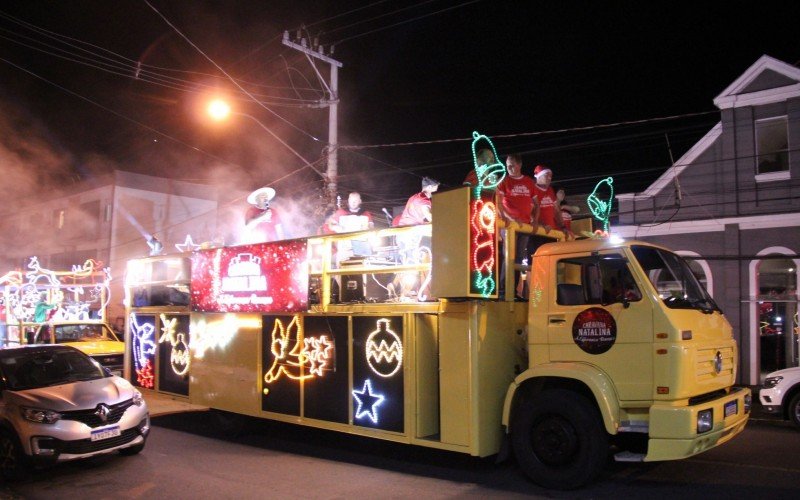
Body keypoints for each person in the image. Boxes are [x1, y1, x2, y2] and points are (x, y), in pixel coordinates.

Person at [496, 154, 536, 299]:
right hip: (509, 225)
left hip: (525, 225)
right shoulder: (503, 181)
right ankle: (503, 290)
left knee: (519, 258)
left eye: (512, 165)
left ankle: (513, 291)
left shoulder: (529, 182)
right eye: (507, 165)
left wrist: (534, 219)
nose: (509, 168)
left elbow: (534, 203)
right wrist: (508, 217)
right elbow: (498, 202)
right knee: (509, 257)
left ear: (519, 165)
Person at [531, 165, 565, 233]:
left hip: (551, 231)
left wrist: (563, 227)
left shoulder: (550, 190)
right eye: (546, 175)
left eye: (551, 176)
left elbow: (556, 211)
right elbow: (529, 212)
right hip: (538, 231)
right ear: (539, 176)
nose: (549, 178)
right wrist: (541, 225)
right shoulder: (532, 189)